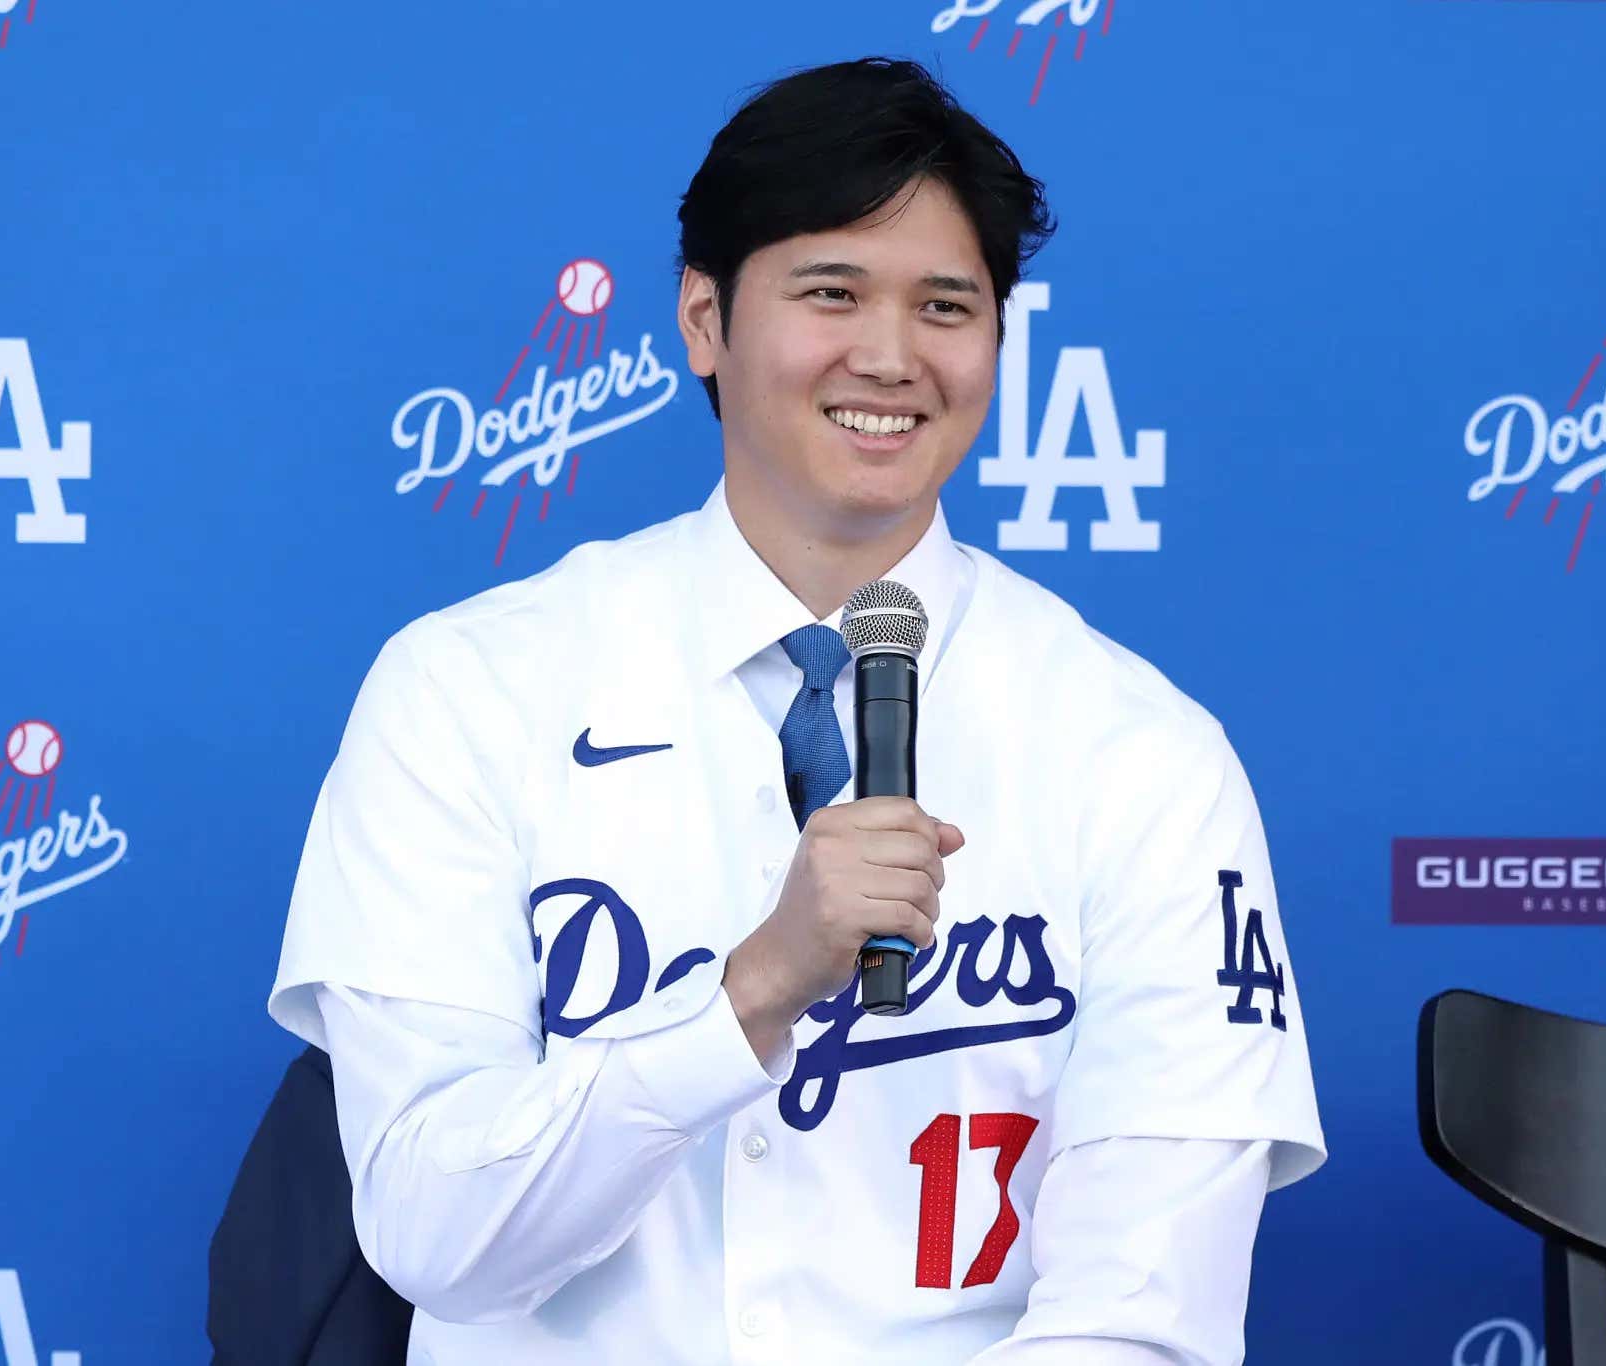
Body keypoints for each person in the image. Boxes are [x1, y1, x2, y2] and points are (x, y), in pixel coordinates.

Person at [268, 56, 1324, 1365]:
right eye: (832, 291)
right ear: (704, 321)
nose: (890, 356)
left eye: (949, 304)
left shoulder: (1143, 755)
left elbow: (1144, 1320)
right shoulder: (467, 691)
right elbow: (433, 1234)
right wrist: (749, 996)